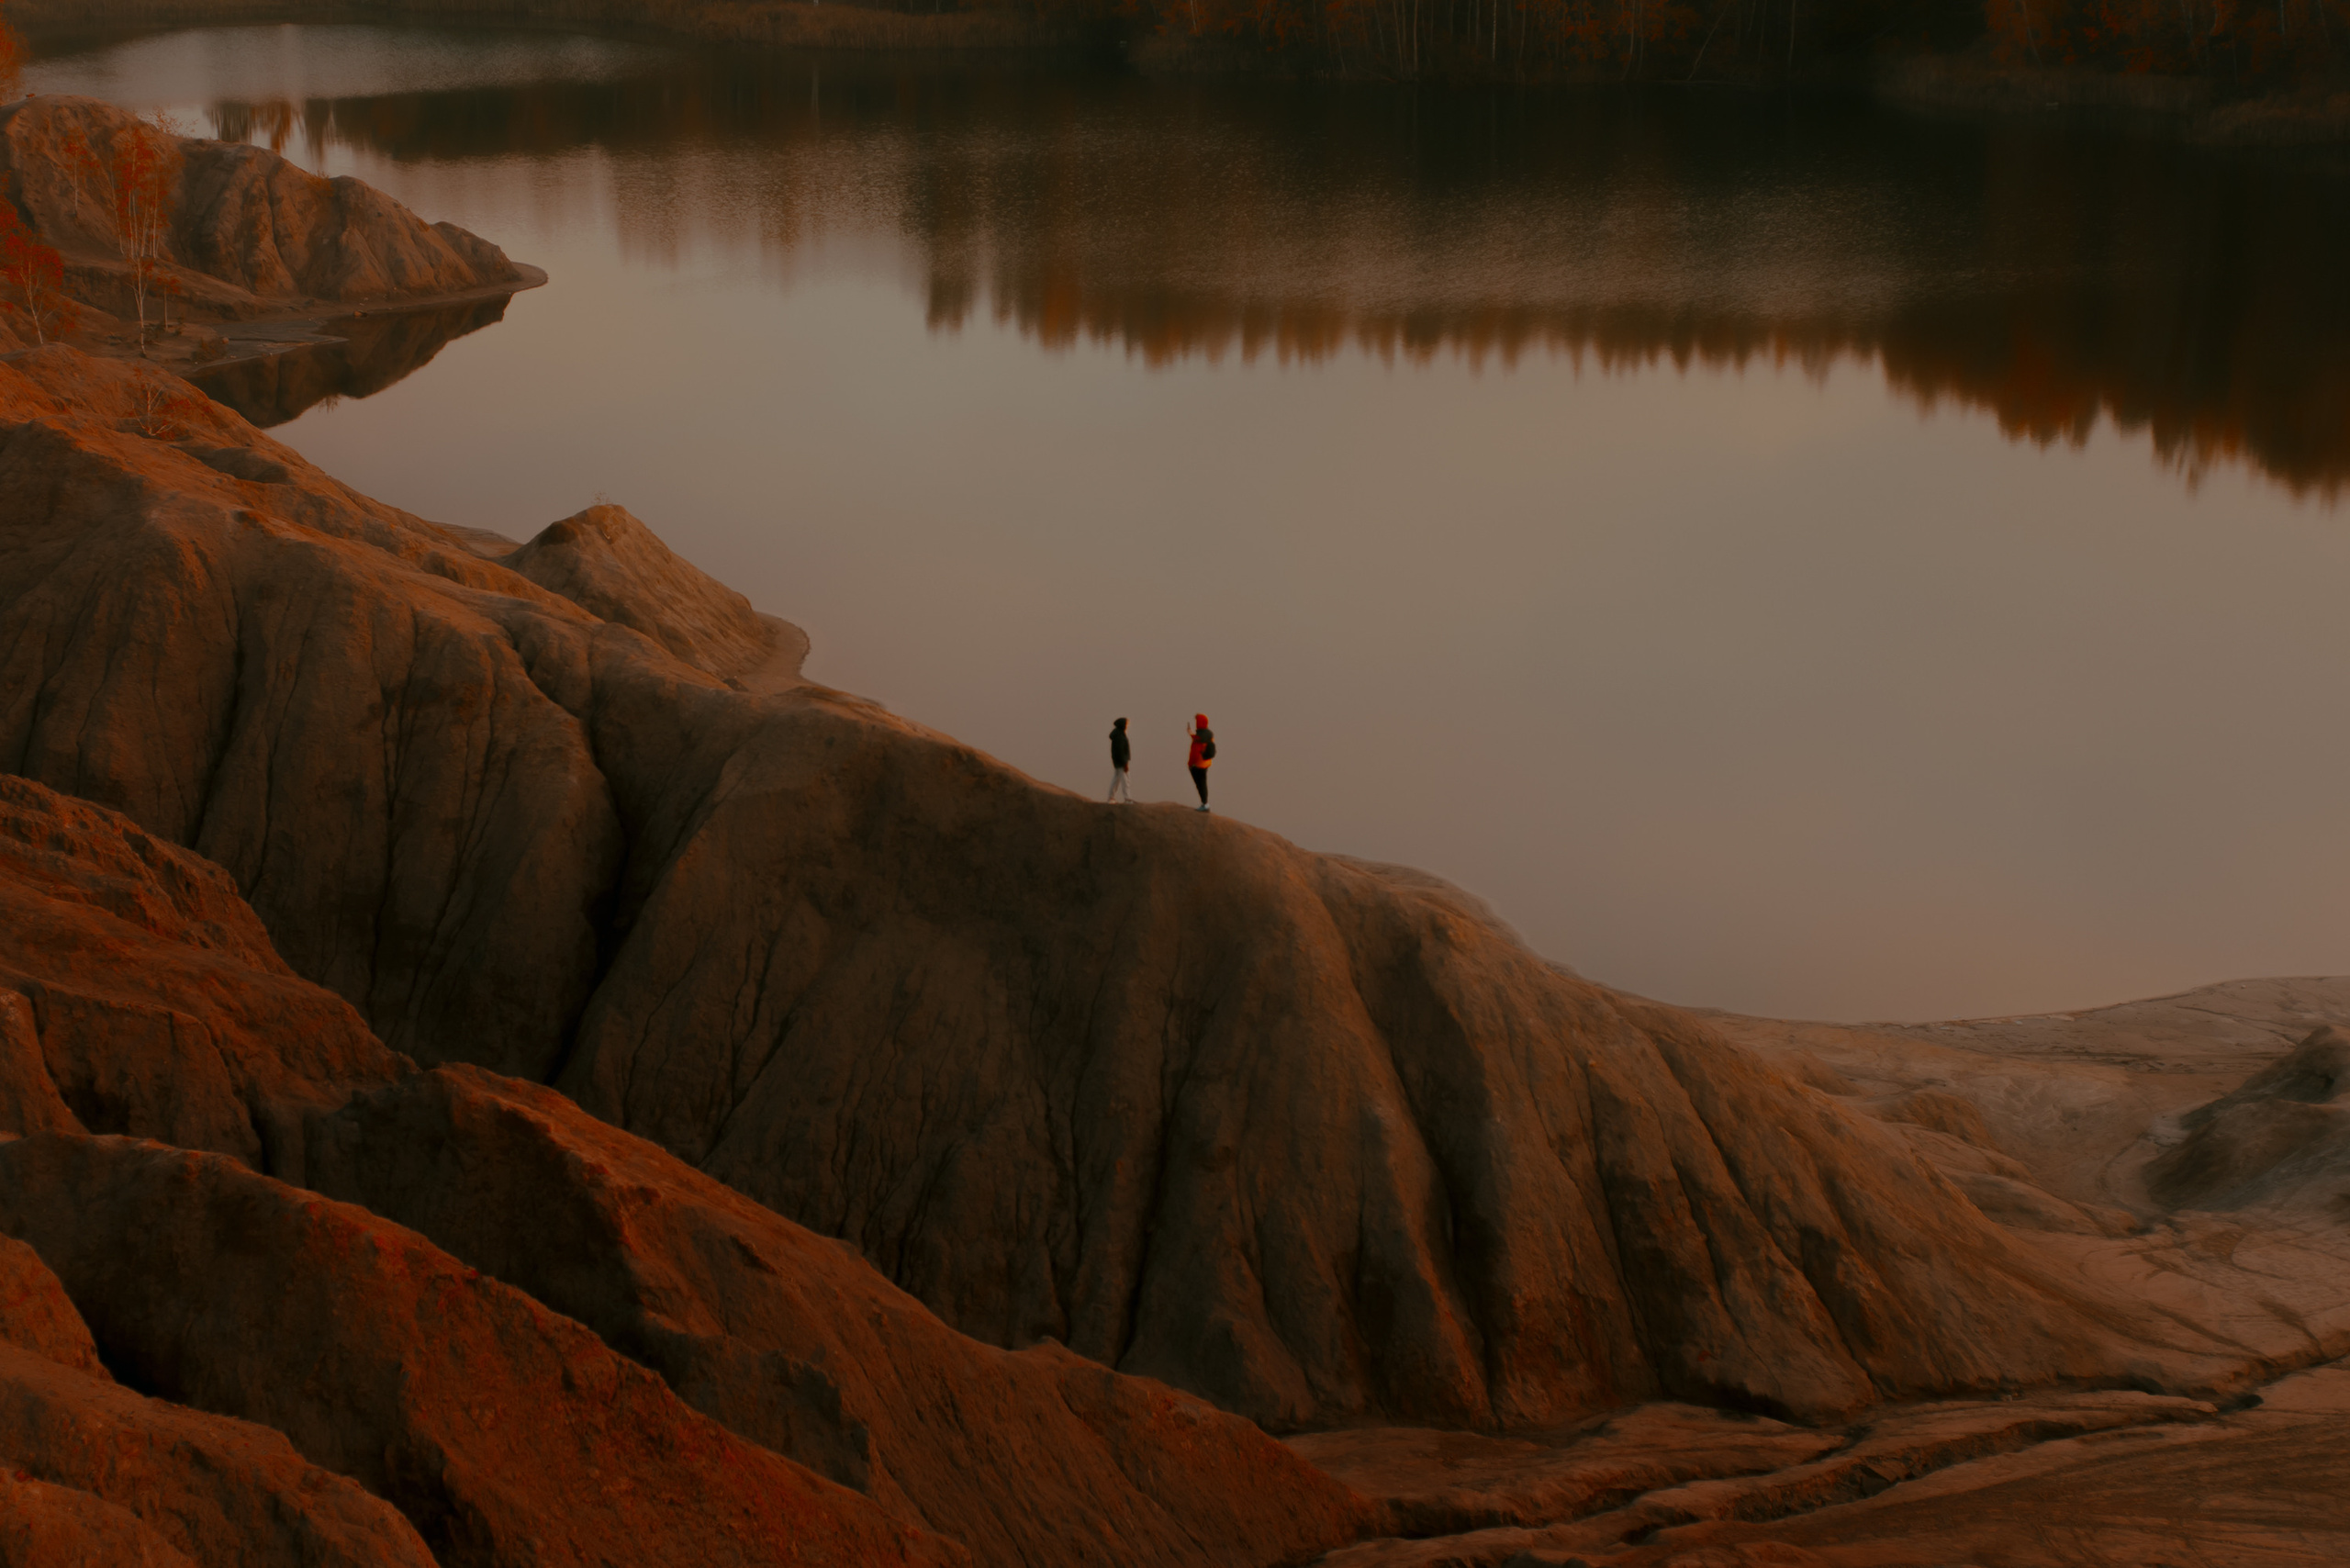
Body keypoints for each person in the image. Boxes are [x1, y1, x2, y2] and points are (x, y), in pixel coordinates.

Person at [1186, 713, 1214, 812]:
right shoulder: (1208, 734)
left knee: (1200, 784)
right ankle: (1205, 803)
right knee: (1203, 784)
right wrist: (1190, 733)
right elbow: (1199, 739)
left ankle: (1205, 804)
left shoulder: (1200, 737)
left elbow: (1195, 752)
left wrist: (1190, 764)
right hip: (1206, 763)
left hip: (1198, 765)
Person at [1107, 717, 1134, 803]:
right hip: (1121, 762)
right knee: (1125, 780)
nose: (1128, 726)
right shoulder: (1120, 736)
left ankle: (1111, 798)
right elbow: (1120, 750)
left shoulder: (1119, 734)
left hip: (1118, 761)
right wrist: (1125, 762)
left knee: (1116, 779)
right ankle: (1127, 799)